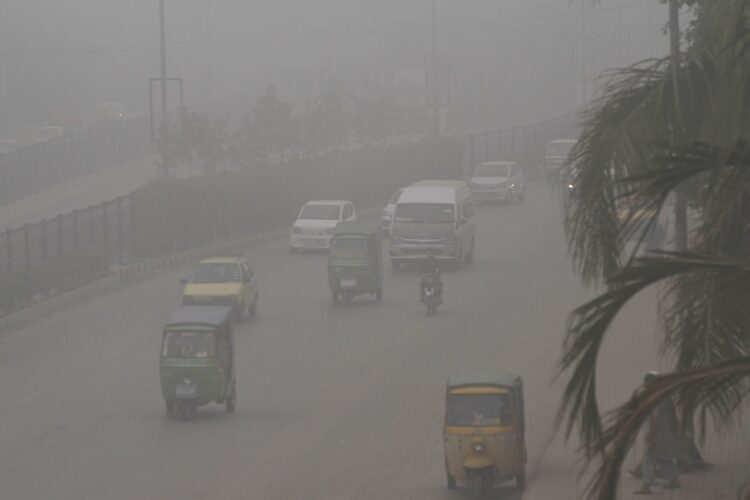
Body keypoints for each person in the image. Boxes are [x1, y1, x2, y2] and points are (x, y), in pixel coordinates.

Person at [635, 371, 681, 495]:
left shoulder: (656, 398)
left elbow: (654, 417)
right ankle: (673, 480)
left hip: (655, 433)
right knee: (664, 458)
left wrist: (650, 434)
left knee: (648, 459)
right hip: (664, 433)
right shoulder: (666, 396)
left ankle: (646, 486)